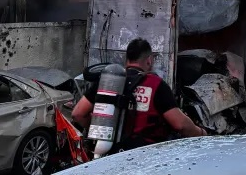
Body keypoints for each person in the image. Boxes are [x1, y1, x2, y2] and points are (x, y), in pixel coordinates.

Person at [72, 38, 206, 152]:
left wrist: (100, 130)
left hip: (109, 153)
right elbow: (180, 125)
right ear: (149, 60)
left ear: (127, 59)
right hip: (145, 156)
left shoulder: (108, 81)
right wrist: (201, 133)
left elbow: (78, 113)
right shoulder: (156, 84)